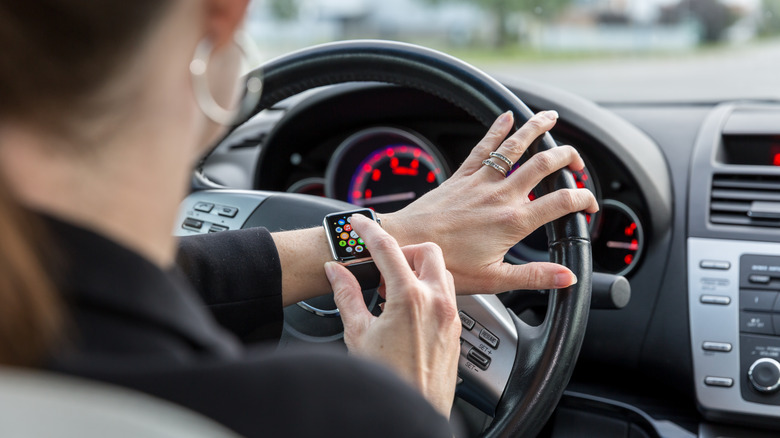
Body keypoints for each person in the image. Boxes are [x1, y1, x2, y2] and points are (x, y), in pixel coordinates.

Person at [0, 0, 598, 436]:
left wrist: (393, 233)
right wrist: (411, 406)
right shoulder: (343, 417)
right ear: (220, 19)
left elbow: (166, 277)